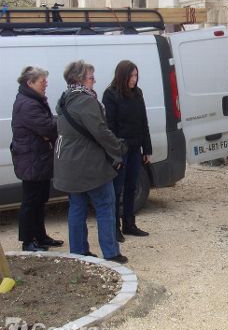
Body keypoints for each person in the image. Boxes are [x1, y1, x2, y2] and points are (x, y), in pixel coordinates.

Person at [53, 60, 128, 263]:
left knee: (77, 208)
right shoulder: (85, 101)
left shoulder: (65, 98)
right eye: (91, 77)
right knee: (105, 206)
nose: (94, 81)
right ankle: (111, 252)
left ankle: (79, 252)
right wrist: (118, 150)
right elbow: (100, 132)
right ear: (79, 79)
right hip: (89, 166)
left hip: (69, 165)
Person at [10, 66, 64, 252]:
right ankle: (27, 242)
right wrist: (61, 121)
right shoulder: (28, 104)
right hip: (31, 159)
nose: (46, 84)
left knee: (40, 199)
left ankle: (40, 236)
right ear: (30, 83)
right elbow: (47, 128)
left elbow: (48, 128)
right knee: (30, 202)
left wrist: (50, 131)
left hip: (38, 158)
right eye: (42, 81)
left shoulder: (34, 100)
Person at [102, 60, 152, 242]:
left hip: (135, 147)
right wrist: (116, 152)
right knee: (116, 189)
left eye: (136, 75)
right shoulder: (110, 95)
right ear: (123, 76)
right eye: (131, 76)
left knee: (131, 186)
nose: (134, 79)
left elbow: (143, 122)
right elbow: (110, 126)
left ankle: (129, 224)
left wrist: (146, 148)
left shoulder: (137, 93)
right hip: (120, 149)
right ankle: (114, 227)